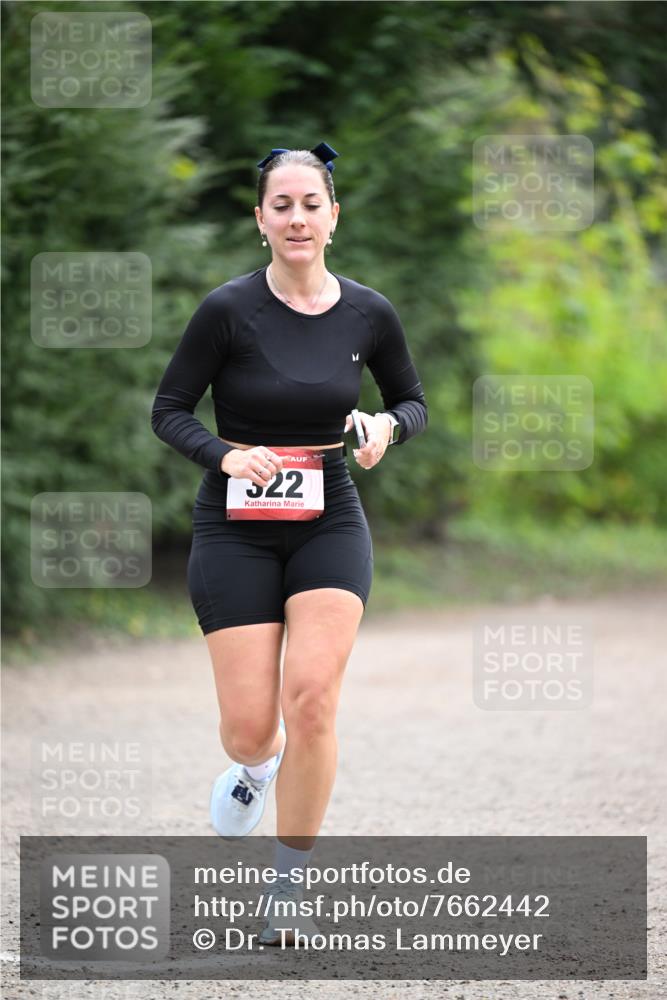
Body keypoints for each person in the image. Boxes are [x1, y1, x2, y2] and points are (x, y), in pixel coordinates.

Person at [151, 142, 427, 944]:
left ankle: (288, 887)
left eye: (312, 204)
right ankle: (254, 768)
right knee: (248, 726)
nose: (297, 217)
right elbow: (168, 409)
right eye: (282, 205)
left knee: (312, 698)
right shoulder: (227, 311)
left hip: (328, 521)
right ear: (260, 220)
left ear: (333, 218)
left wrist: (383, 428)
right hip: (233, 527)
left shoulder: (368, 313)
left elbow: (410, 400)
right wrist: (226, 454)